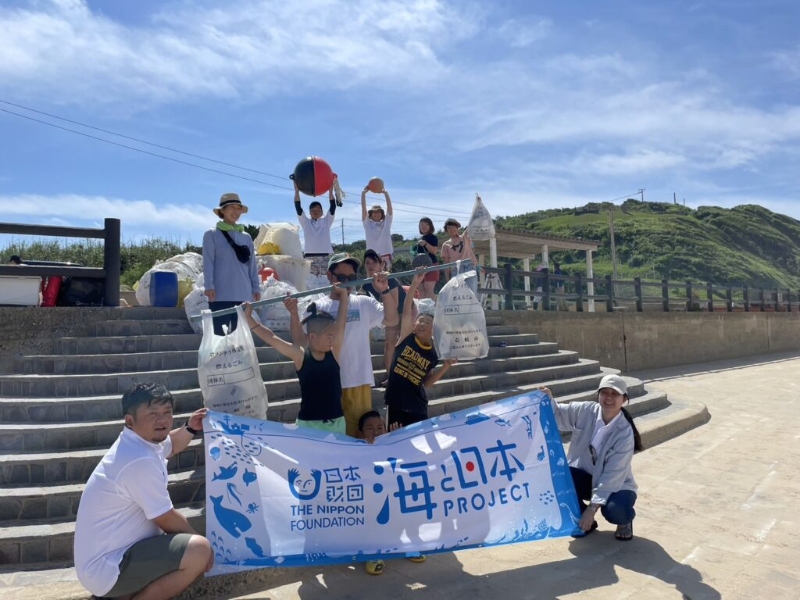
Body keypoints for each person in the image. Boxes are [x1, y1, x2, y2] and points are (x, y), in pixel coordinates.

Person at [74, 383, 212, 599]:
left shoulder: (138, 443)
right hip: (110, 568)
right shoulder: (138, 460)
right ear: (130, 420)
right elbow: (166, 518)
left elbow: (172, 444)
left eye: (167, 412)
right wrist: (206, 550)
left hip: (110, 561)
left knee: (190, 547)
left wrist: (191, 427)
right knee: (199, 550)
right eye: (153, 414)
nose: (162, 420)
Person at [292, 253, 396, 437]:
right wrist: (293, 313)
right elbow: (302, 343)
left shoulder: (364, 302)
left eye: (351, 278)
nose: (347, 282)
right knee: (333, 439)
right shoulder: (316, 307)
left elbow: (392, 319)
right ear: (329, 276)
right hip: (328, 385)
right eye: (341, 277)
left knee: (359, 436)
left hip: (358, 381)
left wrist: (385, 291)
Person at [541, 374, 642, 542]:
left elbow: (612, 475)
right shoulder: (585, 410)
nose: (608, 397)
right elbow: (557, 414)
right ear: (598, 394)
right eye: (604, 392)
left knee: (615, 510)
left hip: (617, 485)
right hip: (586, 478)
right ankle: (585, 521)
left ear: (624, 399)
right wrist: (548, 399)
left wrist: (592, 508)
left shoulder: (624, 433)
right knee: (557, 478)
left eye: (614, 394)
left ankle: (625, 521)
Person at [243, 285, 349, 434]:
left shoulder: (334, 352)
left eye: (333, 335)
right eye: (329, 336)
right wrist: (249, 319)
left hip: (336, 422)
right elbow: (272, 338)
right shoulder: (300, 355)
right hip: (308, 424)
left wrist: (343, 296)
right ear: (313, 337)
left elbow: (341, 322)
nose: (333, 339)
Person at [384, 269, 457, 428]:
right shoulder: (406, 337)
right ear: (414, 324)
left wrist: (445, 366)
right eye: (420, 321)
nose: (422, 324)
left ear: (433, 329)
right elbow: (406, 311)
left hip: (417, 407)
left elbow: (427, 383)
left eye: (427, 322)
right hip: (395, 403)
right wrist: (415, 283)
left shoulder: (433, 353)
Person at [355, 410, 417, 576]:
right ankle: (374, 552)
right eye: (370, 428)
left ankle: (410, 544)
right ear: (360, 434)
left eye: (380, 428)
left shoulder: (391, 446)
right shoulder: (356, 451)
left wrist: (399, 440)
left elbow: (409, 464)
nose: (376, 432)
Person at [202, 193, 261, 335]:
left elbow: (252, 265)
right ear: (222, 210)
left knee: (241, 339)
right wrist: (209, 285)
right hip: (220, 295)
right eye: (232, 208)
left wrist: (255, 287)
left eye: (238, 208)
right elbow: (208, 262)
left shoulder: (246, 237)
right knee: (219, 338)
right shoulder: (212, 234)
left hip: (243, 295)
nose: (236, 212)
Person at [361, 249, 405, 386]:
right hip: (389, 314)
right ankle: (391, 377)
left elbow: (395, 304)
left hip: (405, 311)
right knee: (389, 344)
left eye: (374, 262)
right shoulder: (366, 284)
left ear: (381, 264)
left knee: (406, 342)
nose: (370, 265)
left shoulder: (389, 278)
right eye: (367, 263)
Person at [294, 180, 337, 277]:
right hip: (309, 258)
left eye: (318, 209)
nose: (315, 211)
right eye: (313, 210)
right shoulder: (306, 222)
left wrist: (330, 192)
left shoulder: (326, 221)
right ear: (309, 213)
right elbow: (298, 208)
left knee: (327, 282)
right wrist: (297, 192)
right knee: (310, 283)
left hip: (325, 256)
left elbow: (333, 206)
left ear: (322, 212)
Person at [361, 183, 394, 271]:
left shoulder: (386, 223)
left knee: (386, 277)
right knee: (374, 277)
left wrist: (385, 193)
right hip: (372, 256)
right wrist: (363, 194)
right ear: (371, 214)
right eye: (374, 212)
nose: (376, 214)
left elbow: (390, 209)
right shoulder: (367, 224)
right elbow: (363, 209)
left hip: (386, 254)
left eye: (378, 212)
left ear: (382, 214)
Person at [414, 217, 439, 300]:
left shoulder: (433, 237)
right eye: (421, 225)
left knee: (429, 290)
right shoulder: (420, 239)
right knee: (421, 290)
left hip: (431, 265)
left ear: (430, 226)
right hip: (420, 266)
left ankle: (433, 308)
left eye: (426, 224)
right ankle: (423, 308)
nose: (423, 226)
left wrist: (425, 244)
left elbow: (434, 251)